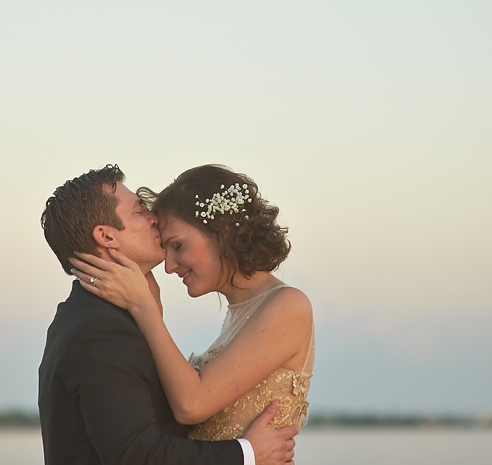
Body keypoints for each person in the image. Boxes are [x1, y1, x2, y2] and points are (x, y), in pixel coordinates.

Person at [38, 165, 299, 465]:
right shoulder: (98, 330)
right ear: (107, 236)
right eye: (139, 211)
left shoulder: (96, 318)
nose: (152, 218)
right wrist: (248, 453)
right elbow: (137, 455)